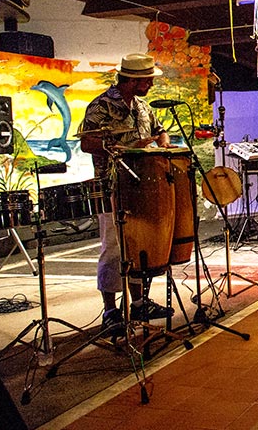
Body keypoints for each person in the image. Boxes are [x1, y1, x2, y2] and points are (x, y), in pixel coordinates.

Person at [80, 53, 175, 334]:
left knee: (138, 247)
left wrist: (164, 143)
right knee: (113, 249)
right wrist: (125, 147)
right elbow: (87, 142)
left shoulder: (143, 107)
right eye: (146, 79)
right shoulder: (101, 106)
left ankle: (140, 302)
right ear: (132, 79)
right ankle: (110, 310)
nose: (150, 83)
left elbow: (160, 132)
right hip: (112, 185)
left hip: (142, 187)